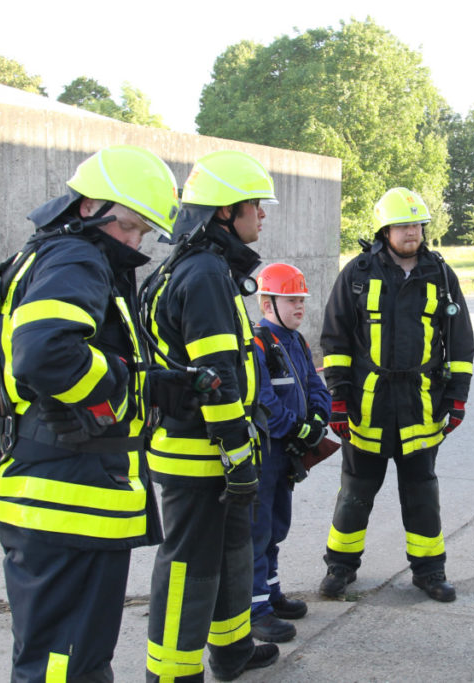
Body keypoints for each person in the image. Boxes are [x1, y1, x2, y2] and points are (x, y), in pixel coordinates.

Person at [0, 145, 198, 681]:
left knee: (68, 659)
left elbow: (85, 359)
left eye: (142, 232)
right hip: (66, 500)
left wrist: (155, 386)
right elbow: (45, 353)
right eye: (128, 226)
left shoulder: (52, 255)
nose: (134, 242)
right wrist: (115, 397)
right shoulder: (76, 258)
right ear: (87, 208)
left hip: (57, 495)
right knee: (64, 667)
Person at [141, 150, 279, 681]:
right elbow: (216, 376)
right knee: (190, 568)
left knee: (231, 556)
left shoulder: (204, 266)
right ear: (225, 212)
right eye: (254, 205)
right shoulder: (203, 273)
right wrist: (238, 457)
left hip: (209, 453)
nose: (261, 214)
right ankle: (172, 673)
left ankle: (232, 650)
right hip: (200, 457)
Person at [319, 187, 474, 603]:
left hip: (421, 404)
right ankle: (340, 567)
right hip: (366, 405)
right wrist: (338, 398)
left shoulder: (441, 275)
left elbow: (460, 343)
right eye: (403, 225)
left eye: (418, 225)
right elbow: (335, 339)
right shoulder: (357, 273)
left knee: (422, 492)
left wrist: (457, 398)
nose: (412, 232)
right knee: (355, 492)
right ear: (384, 230)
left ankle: (430, 571)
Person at [248, 263, 332, 643]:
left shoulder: (297, 341)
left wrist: (317, 418)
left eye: (301, 300)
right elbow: (262, 400)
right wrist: (296, 428)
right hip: (266, 453)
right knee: (258, 529)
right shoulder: (258, 343)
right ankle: (255, 610)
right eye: (291, 300)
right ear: (268, 304)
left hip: (288, 452)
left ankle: (271, 593)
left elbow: (316, 385)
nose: (300, 306)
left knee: (276, 526)